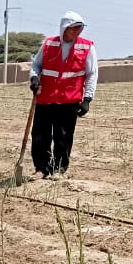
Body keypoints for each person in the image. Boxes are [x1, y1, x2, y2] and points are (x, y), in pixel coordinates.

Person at [29, 11, 98, 179]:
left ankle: (59, 169)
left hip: (69, 100)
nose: (77, 32)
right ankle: (42, 168)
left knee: (63, 136)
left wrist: (87, 99)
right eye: (74, 29)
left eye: (80, 29)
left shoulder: (87, 47)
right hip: (45, 98)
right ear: (64, 28)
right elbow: (36, 65)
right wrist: (34, 78)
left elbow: (92, 74)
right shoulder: (48, 44)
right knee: (39, 135)